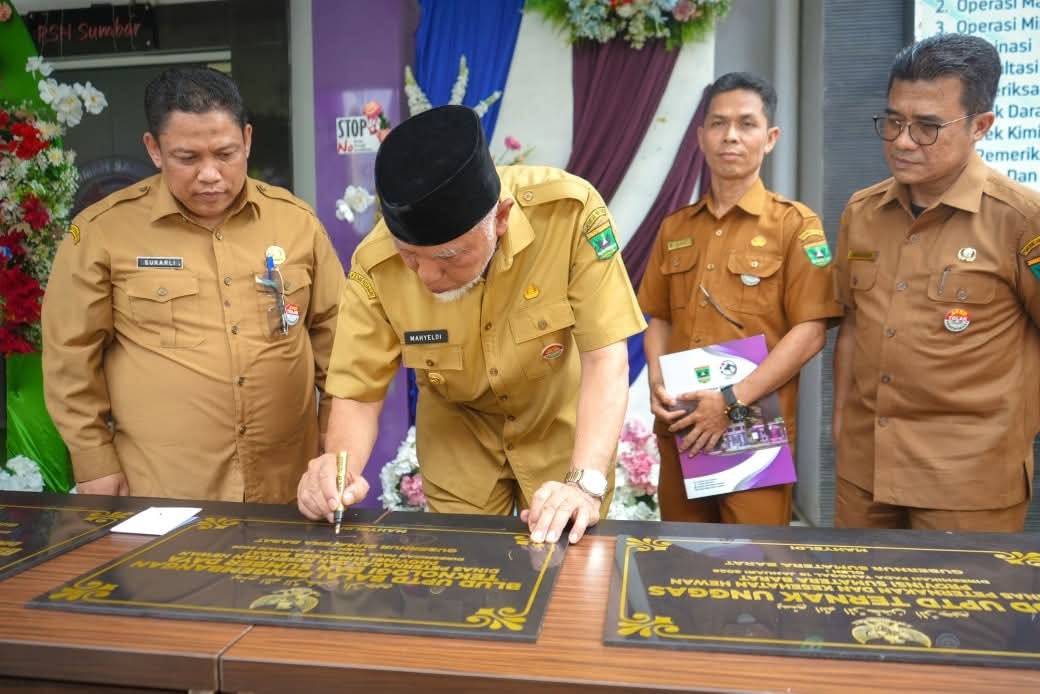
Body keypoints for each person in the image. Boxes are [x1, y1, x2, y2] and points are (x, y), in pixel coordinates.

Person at [295, 105, 646, 544]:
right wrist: (337, 470)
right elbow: (357, 391)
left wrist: (584, 483)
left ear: (501, 219)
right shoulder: (375, 264)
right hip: (458, 438)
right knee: (466, 567)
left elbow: (605, 358)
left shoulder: (567, 214)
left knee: (567, 563)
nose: (426, 276)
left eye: (448, 257)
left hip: (559, 426)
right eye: (409, 256)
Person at [42, 67, 345, 502]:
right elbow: (70, 355)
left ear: (247, 139)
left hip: (288, 484)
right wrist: (94, 461)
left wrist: (335, 440)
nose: (209, 174)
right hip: (164, 487)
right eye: (187, 158)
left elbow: (339, 341)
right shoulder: (102, 232)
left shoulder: (296, 222)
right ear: (154, 149)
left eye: (225, 154)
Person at [832, 34, 1040, 531]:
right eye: (893, 121)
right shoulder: (862, 212)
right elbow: (853, 325)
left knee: (965, 589)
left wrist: (1016, 432)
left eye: (927, 127)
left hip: (967, 482)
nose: (903, 141)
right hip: (865, 471)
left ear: (980, 126)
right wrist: (841, 425)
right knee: (855, 585)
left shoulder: (1020, 219)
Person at [638, 72, 842, 525]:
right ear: (701, 137)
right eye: (718, 123)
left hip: (752, 426)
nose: (730, 135)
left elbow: (810, 332)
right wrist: (656, 379)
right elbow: (660, 319)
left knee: (753, 558)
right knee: (681, 553)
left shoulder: (795, 225)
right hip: (684, 422)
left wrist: (730, 400)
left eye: (746, 124)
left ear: (770, 138)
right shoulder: (675, 227)